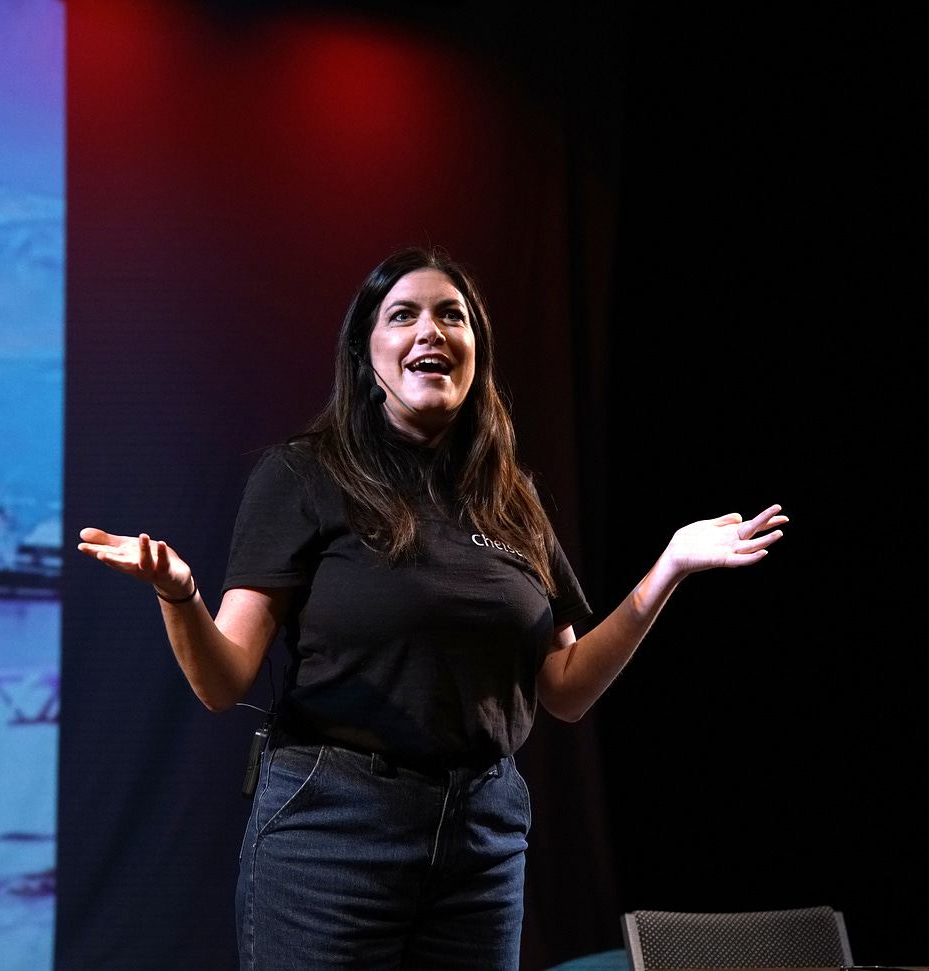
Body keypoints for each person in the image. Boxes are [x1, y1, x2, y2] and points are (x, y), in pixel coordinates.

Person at [77, 247, 787, 970]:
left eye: (452, 315)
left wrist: (666, 569)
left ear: (475, 350)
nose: (430, 331)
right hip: (333, 830)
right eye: (403, 315)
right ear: (367, 353)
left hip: (482, 840)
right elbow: (222, 679)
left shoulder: (513, 499)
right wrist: (179, 593)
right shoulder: (304, 473)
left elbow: (567, 688)